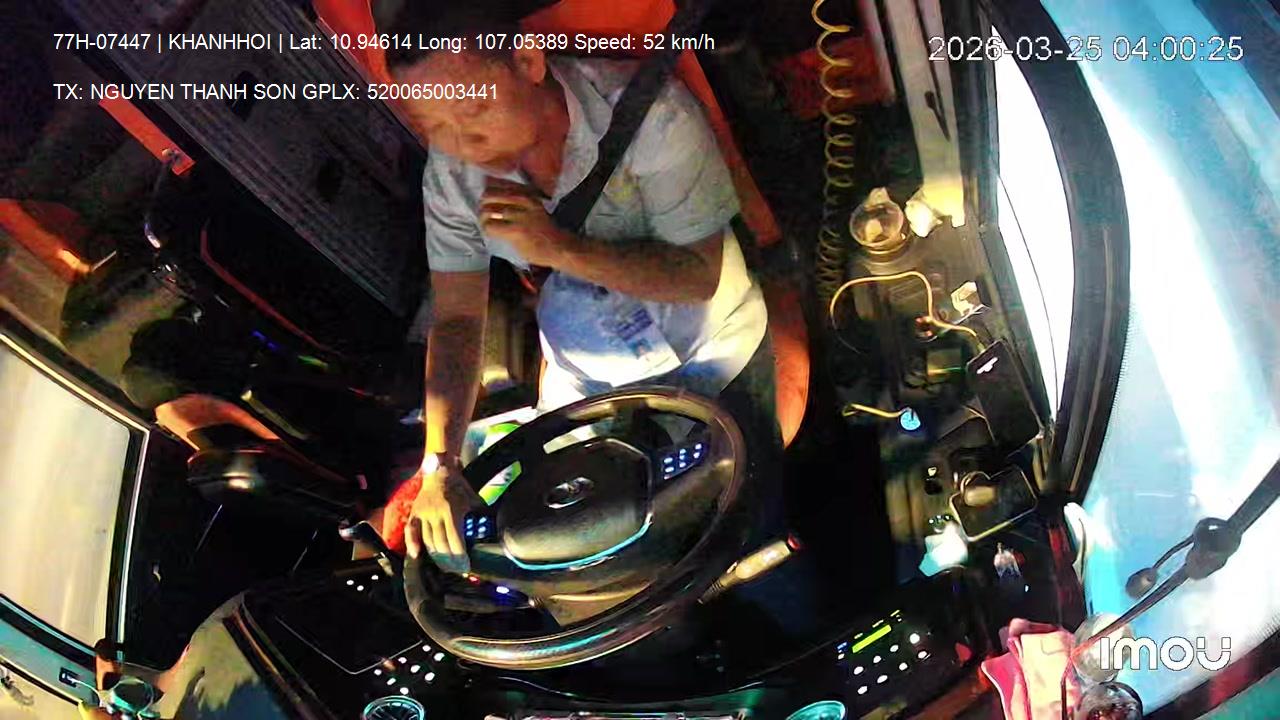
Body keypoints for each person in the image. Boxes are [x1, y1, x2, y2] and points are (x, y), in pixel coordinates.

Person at [389, 6, 778, 572]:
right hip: (586, 374)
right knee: (571, 550)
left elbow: (698, 275)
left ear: (528, 60)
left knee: (740, 525)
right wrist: (439, 463)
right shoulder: (450, 176)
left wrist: (558, 248)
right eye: (435, 126)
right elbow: (457, 320)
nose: (461, 143)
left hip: (709, 349)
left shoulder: (651, 116)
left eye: (473, 110)